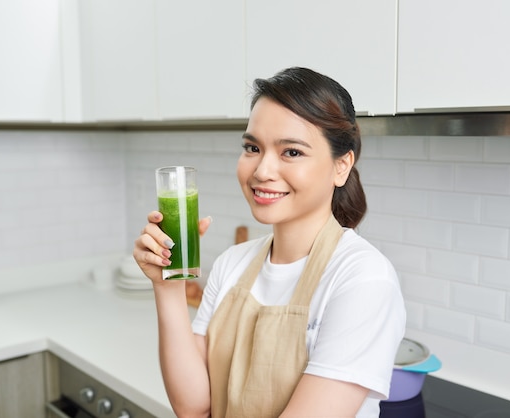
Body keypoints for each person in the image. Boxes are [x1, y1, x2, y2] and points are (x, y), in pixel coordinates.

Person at [133, 67, 406, 418]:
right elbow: (194, 407)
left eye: (291, 152)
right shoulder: (233, 263)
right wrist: (168, 282)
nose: (262, 170)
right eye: (252, 147)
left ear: (342, 166)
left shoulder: (362, 279)